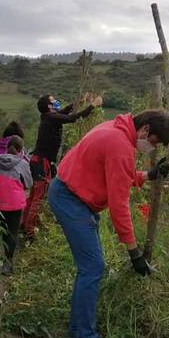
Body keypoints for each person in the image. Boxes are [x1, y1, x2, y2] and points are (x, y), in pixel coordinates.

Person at [47, 110, 169, 338]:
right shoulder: (119, 144)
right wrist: (134, 252)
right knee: (93, 267)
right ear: (145, 129)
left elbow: (119, 175)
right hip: (71, 199)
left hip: (71, 193)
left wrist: (148, 175)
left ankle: (77, 329)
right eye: (154, 142)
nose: (150, 147)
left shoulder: (116, 129)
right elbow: (119, 206)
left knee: (89, 267)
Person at [22, 93, 103, 240]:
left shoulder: (49, 118)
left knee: (34, 195)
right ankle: (29, 231)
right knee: (38, 197)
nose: (57, 102)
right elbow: (72, 118)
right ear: (48, 106)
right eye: (54, 101)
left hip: (38, 161)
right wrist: (93, 105)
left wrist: (78, 101)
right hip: (41, 162)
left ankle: (25, 224)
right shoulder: (51, 118)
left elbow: (63, 113)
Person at [0, 136, 33, 276]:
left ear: (7, 148)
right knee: (13, 231)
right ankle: (8, 263)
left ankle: (4, 257)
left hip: (1, 201)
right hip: (16, 203)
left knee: (4, 230)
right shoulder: (23, 164)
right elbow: (29, 183)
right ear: (20, 150)